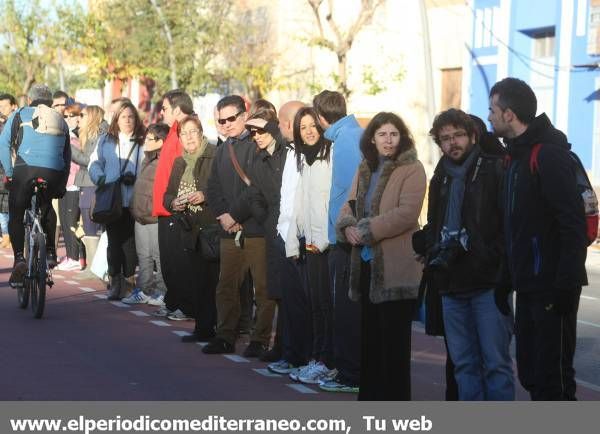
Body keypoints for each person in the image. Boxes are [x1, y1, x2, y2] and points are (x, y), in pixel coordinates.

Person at [488, 77, 588, 400]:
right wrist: (506, 278)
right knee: (531, 374)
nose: (488, 117)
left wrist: (564, 283)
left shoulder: (547, 155)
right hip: (527, 287)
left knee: (554, 380)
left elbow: (572, 225)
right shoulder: (514, 158)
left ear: (509, 114)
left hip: (552, 288)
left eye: (492, 110)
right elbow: (513, 228)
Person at [417, 108, 514, 400]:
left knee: (495, 365)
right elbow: (435, 223)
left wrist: (490, 257)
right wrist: (428, 244)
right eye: (445, 138)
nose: (452, 143)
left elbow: (508, 224)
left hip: (487, 283)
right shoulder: (441, 176)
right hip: (450, 283)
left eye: (458, 135)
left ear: (473, 135)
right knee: (464, 365)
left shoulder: (495, 168)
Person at [336, 112, 426, 400]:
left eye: (394, 134)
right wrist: (348, 227)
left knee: (394, 349)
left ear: (402, 137)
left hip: (395, 271)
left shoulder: (412, 168)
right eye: (382, 134)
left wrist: (367, 230)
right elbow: (348, 205)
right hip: (365, 266)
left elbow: (406, 214)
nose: (388, 140)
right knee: (370, 344)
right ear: (372, 139)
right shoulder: (365, 167)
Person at [204, 95, 276, 357]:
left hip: (256, 227)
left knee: (263, 287)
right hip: (229, 229)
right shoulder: (223, 149)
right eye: (221, 120)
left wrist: (234, 214)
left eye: (231, 118)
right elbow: (213, 187)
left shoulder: (257, 145)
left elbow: (258, 186)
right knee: (226, 286)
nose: (226, 124)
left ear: (245, 116)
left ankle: (259, 339)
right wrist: (223, 214)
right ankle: (225, 336)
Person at [313, 90, 363, 393]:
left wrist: (339, 229)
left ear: (320, 117)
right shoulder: (352, 134)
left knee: (345, 310)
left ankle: (349, 373)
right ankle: (346, 368)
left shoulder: (345, 140)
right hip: (346, 235)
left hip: (345, 238)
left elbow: (345, 192)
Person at [0, 84, 71, 286]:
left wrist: (11, 174)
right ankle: (50, 251)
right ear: (50, 102)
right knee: (47, 204)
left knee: (16, 212)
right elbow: (67, 155)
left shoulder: (20, 114)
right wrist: (61, 183)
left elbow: (3, 144)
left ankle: (19, 259)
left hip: (26, 167)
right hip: (54, 171)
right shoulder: (60, 119)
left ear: (29, 100)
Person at [284, 107, 335, 385]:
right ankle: (317, 358)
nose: (308, 131)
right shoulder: (302, 159)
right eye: (302, 127)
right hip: (310, 244)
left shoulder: (332, 155)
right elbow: (298, 203)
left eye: (312, 125)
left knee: (328, 306)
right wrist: (295, 242)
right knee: (316, 305)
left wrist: (326, 238)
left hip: (329, 244)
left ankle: (328, 361)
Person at [164, 116, 218, 332]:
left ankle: (215, 329)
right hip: (188, 227)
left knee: (212, 282)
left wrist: (204, 194)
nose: (188, 137)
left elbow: (223, 189)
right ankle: (201, 328)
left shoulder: (214, 155)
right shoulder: (180, 161)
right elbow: (167, 195)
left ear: (201, 132)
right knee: (196, 281)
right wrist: (172, 202)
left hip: (211, 227)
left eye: (193, 131)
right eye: (183, 133)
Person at [88, 101, 145, 300]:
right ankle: (114, 281)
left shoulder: (143, 141)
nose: (128, 121)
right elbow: (93, 164)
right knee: (113, 243)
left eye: (131, 117)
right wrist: (102, 178)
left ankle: (129, 283)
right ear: (116, 119)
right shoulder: (106, 140)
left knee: (130, 245)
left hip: (134, 200)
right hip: (112, 199)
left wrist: (136, 179)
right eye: (124, 117)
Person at [151, 89, 194, 317]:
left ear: (177, 109)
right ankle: (173, 301)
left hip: (176, 208)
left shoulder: (186, 130)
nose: (161, 112)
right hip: (165, 207)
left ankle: (185, 305)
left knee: (179, 261)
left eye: (165, 108)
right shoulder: (173, 131)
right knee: (169, 261)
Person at [124, 123, 170, 307]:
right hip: (140, 214)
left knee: (158, 256)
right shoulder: (147, 158)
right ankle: (144, 290)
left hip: (154, 215)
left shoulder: (164, 159)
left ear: (161, 141)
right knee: (143, 256)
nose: (146, 142)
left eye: (150, 139)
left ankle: (161, 292)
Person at [57, 103, 85, 271]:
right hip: (64, 184)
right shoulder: (66, 136)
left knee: (71, 222)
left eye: (72, 116)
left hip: (74, 184)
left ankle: (75, 257)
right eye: (65, 116)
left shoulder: (77, 138)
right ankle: (70, 256)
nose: (68, 119)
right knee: (66, 222)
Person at [72, 105, 107, 237]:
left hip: (92, 185)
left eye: (82, 115)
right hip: (87, 183)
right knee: (88, 228)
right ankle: (88, 256)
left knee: (91, 229)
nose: (78, 119)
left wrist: (69, 148)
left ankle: (93, 257)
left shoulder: (98, 135)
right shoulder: (90, 134)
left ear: (92, 118)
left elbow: (89, 161)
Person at [0, 93, 18, 249]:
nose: (2, 109)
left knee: (10, 206)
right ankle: (7, 235)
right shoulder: (3, 125)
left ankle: (11, 235)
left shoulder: (17, 123)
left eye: (4, 106)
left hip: (14, 170)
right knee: (4, 207)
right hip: (4, 171)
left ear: (13, 105)